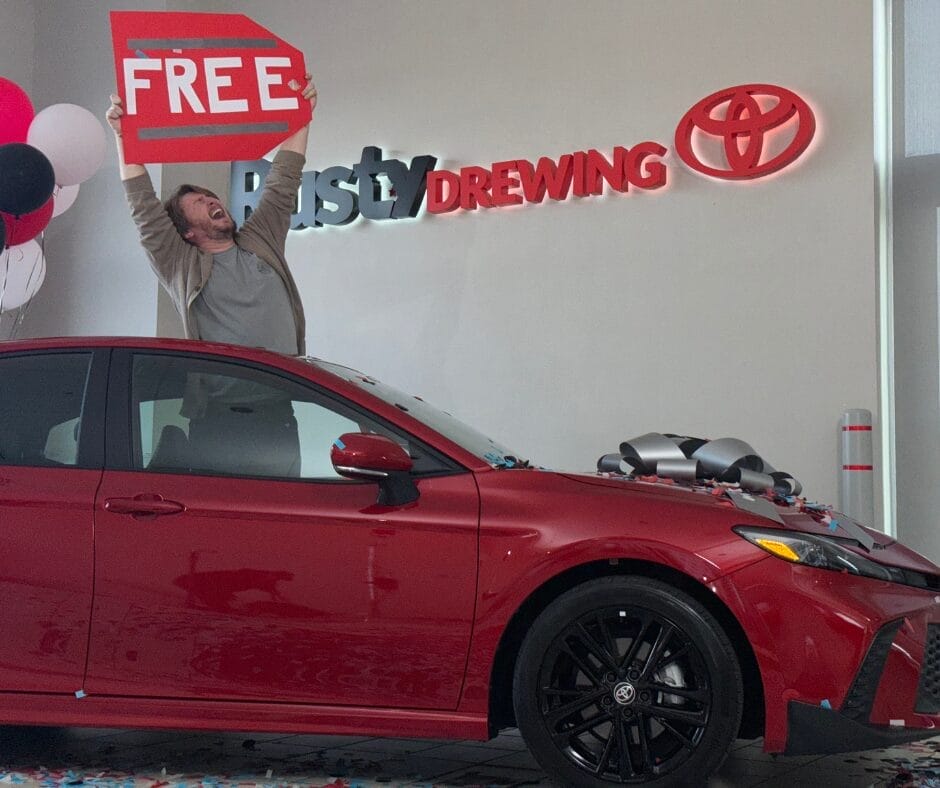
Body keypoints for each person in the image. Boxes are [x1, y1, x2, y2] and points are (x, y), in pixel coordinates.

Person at [105, 76, 319, 478]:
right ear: (187, 231)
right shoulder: (180, 264)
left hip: (279, 413)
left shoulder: (261, 241)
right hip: (219, 421)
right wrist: (123, 136)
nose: (212, 201)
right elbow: (143, 208)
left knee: (280, 525)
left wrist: (301, 116)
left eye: (211, 197)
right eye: (199, 204)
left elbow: (283, 181)